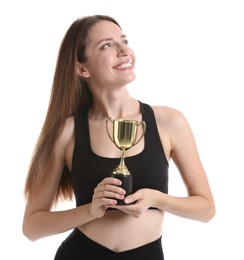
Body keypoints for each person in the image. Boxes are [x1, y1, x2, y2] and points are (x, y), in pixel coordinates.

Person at [22, 14, 215, 260]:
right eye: (107, 45)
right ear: (82, 68)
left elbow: (206, 209)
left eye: (124, 41)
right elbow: (32, 227)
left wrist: (157, 199)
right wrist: (90, 211)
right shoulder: (67, 132)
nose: (124, 50)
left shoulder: (168, 121)